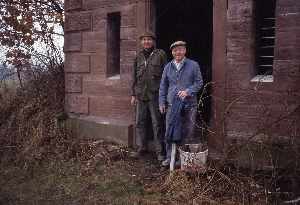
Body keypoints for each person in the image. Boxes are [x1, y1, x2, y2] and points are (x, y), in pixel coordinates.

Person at [159, 41, 203, 166]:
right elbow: (163, 86)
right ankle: (170, 156)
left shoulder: (193, 65)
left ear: (185, 51)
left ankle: (183, 157)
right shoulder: (168, 67)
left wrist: (188, 91)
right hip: (172, 103)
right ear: (172, 53)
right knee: (170, 129)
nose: (177, 52)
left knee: (188, 129)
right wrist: (162, 102)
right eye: (175, 50)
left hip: (189, 103)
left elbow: (199, 82)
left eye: (180, 49)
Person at [130, 29, 168, 161]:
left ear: (153, 41)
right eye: (144, 39)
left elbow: (166, 76)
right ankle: (142, 147)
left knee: (157, 123)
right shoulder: (138, 56)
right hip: (140, 94)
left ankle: (159, 151)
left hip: (155, 94)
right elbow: (134, 77)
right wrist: (133, 94)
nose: (146, 42)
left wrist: (164, 95)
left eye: (149, 39)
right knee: (140, 122)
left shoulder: (160, 54)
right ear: (141, 42)